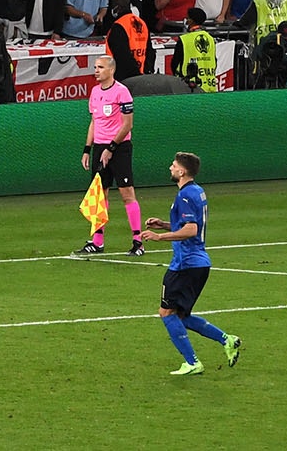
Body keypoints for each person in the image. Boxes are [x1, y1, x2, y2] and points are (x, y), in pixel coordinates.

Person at [138, 151, 243, 376]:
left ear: (182, 171)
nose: (170, 168)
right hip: (197, 264)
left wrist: (158, 237)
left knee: (167, 313)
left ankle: (192, 362)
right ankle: (227, 340)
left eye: (174, 165)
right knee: (180, 316)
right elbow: (189, 225)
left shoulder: (185, 196)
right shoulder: (197, 191)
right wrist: (166, 224)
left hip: (185, 265)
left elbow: (191, 230)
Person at [75, 55, 144, 257]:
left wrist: (111, 148)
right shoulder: (95, 92)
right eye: (95, 67)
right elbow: (94, 122)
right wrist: (87, 149)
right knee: (99, 194)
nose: (96, 70)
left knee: (126, 193)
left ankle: (138, 241)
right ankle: (97, 241)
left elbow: (127, 124)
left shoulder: (122, 92)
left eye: (100, 67)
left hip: (119, 148)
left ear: (111, 70)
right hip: (100, 148)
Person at [169, 9, 218, 93]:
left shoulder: (184, 39)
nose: (186, 21)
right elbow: (214, 60)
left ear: (191, 21)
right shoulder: (210, 38)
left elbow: (175, 63)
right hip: (209, 86)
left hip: (189, 87)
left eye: (187, 18)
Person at [105, 0, 153, 80]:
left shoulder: (118, 26)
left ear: (117, 8)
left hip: (124, 77)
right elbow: (149, 50)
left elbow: (122, 56)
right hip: (141, 75)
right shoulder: (142, 23)